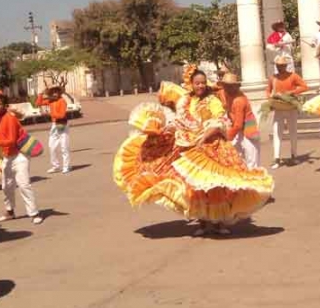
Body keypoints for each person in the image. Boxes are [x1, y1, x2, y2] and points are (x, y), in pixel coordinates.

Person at [114, 70, 274, 236]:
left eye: (203, 83)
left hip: (213, 145)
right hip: (190, 145)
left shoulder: (213, 100)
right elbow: (180, 121)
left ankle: (219, 223)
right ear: (192, 84)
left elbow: (220, 121)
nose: (200, 86)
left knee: (214, 185)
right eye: (197, 83)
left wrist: (204, 136)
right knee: (196, 186)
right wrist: (164, 130)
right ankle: (204, 222)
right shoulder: (186, 101)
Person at [0, 94, 44, 225]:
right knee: (6, 186)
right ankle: (9, 212)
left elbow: (11, 140)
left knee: (24, 184)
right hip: (7, 157)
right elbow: (2, 139)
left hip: (20, 155)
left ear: (5, 105)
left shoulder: (10, 118)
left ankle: (34, 213)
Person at [266, 55, 309, 168]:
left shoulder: (293, 76)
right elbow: (268, 91)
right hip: (278, 108)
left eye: (282, 66)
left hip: (291, 108)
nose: (280, 67)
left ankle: (294, 155)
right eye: (278, 66)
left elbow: (304, 87)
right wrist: (270, 99)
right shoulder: (273, 78)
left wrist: (292, 92)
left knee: (293, 132)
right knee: (277, 133)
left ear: (286, 66)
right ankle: (276, 158)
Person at [221, 73, 261, 168]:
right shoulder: (225, 94)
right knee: (238, 158)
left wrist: (227, 137)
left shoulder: (239, 100)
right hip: (238, 131)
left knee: (252, 163)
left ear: (236, 86)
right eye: (225, 86)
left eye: (230, 86)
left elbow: (238, 125)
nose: (227, 88)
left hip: (248, 130)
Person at [36, 86, 71, 174]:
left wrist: (50, 114)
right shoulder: (50, 101)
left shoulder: (62, 101)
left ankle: (66, 166)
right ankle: (55, 166)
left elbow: (62, 115)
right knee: (51, 146)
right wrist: (41, 94)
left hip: (62, 124)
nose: (55, 93)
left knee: (64, 146)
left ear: (59, 93)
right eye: (53, 92)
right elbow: (38, 103)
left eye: (56, 92)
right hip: (54, 125)